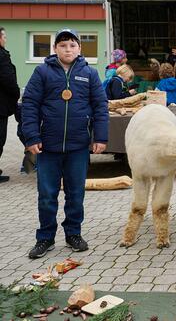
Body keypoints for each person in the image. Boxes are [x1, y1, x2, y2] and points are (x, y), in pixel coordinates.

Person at [21, 28, 108, 259]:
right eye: (62, 45)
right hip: (47, 146)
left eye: (72, 45)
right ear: (55, 49)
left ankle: (73, 234)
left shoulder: (89, 73)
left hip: (78, 146)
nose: (67, 49)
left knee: (75, 193)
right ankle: (45, 238)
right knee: (47, 194)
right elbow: (29, 104)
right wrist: (31, 137)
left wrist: (100, 137)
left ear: (79, 48)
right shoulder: (42, 72)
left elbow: (100, 106)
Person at [0, 27, 21, 183]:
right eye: (4, 36)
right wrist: (16, 94)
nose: (5, 39)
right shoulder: (2, 56)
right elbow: (8, 79)